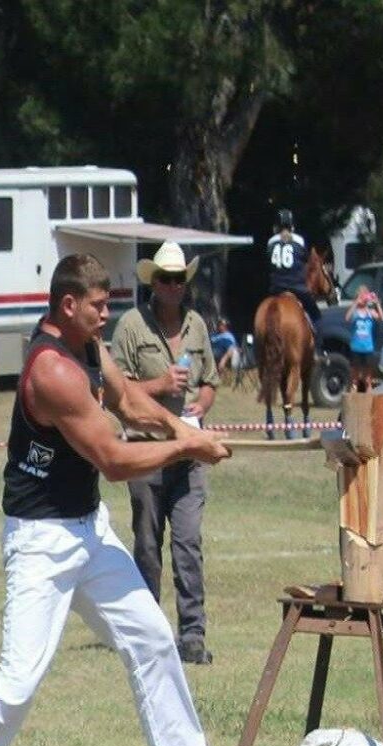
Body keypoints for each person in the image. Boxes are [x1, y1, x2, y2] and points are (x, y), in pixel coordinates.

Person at [0, 254, 230, 746]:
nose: (105, 316)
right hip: (41, 542)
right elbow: (113, 460)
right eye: (97, 306)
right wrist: (186, 448)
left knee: (155, 641)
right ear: (68, 305)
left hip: (90, 531)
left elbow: (131, 400)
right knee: (18, 683)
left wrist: (181, 425)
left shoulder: (89, 347)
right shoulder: (51, 369)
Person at [110, 240, 220, 665]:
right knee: (148, 545)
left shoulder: (197, 325)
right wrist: (159, 387)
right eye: (166, 279)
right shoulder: (131, 327)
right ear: (153, 282)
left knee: (188, 543)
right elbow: (113, 391)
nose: (174, 286)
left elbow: (209, 380)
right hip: (145, 451)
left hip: (189, 451)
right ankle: (150, 632)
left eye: (179, 279)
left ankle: (193, 635)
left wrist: (203, 403)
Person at [265, 209, 319, 324]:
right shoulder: (299, 241)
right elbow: (304, 261)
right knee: (317, 315)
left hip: (276, 288)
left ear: (276, 227)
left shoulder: (270, 242)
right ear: (292, 226)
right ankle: (319, 340)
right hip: (297, 287)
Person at [346, 286, 383, 392]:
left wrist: (377, 304)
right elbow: (347, 318)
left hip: (368, 348)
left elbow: (382, 318)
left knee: (367, 378)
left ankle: (368, 394)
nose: (363, 299)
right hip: (356, 347)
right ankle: (353, 395)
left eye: (365, 296)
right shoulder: (355, 312)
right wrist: (355, 303)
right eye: (361, 296)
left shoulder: (370, 312)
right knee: (355, 377)